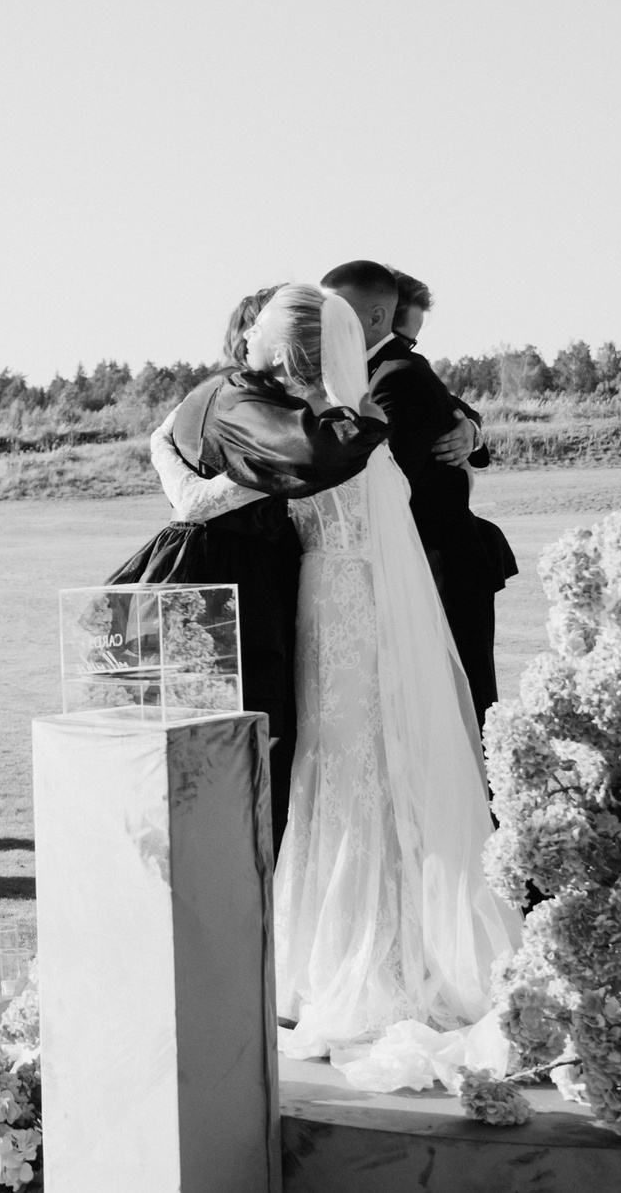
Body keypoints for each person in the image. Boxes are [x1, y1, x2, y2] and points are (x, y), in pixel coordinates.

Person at [264, 285, 520, 1070]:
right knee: (340, 770)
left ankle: (363, 957)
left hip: (342, 611)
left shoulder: (331, 436)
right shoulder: (345, 428)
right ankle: (351, 947)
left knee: (353, 769)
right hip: (335, 611)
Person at [119, 283, 388, 845]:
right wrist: (359, 425)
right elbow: (309, 455)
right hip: (231, 574)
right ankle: (237, 861)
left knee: (237, 730)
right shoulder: (239, 397)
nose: (246, 336)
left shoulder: (236, 394)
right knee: (246, 727)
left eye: (257, 326)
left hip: (239, 566)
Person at [335, 262, 514, 728]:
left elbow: (390, 480)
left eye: (410, 340)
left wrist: (470, 429)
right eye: (402, 334)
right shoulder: (366, 369)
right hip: (424, 558)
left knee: (462, 705)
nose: (407, 347)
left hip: (439, 565)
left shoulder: (396, 372)